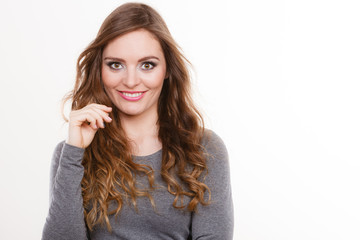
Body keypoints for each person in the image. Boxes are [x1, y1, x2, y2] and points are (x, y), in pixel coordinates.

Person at [42, 2, 233, 239]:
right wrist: (73, 153)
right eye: (115, 65)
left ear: (167, 70)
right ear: (99, 70)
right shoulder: (70, 154)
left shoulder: (204, 149)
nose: (131, 81)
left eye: (147, 65)